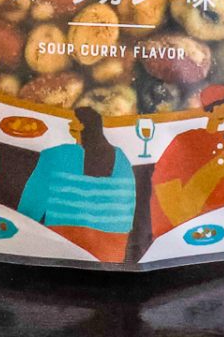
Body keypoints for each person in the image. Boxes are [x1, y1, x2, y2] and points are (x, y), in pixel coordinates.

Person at [16, 105, 136, 262]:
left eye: (73, 122)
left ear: (82, 126)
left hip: (61, 250)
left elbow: (29, 212)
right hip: (111, 256)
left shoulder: (55, 155)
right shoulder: (122, 159)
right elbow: (127, 214)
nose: (69, 124)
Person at [148, 96, 224, 239]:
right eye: (222, 107)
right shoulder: (190, 138)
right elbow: (178, 211)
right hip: (174, 224)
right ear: (211, 110)